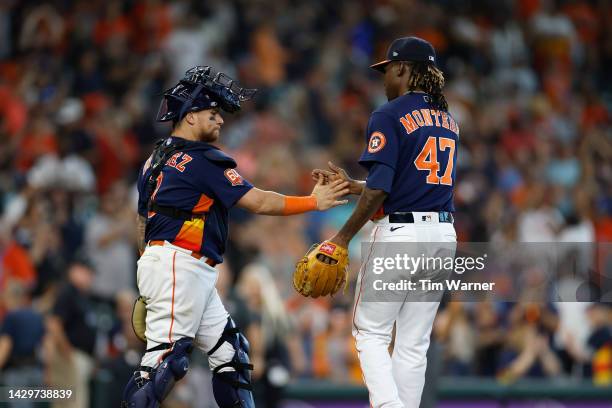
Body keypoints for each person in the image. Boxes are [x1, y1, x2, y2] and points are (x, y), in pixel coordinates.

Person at [122, 66, 349, 408]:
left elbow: (143, 222)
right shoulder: (201, 159)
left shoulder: (154, 159)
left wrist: (149, 274)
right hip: (179, 266)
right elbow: (258, 201)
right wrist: (314, 201)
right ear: (189, 115)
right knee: (163, 364)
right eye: (213, 113)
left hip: (174, 266)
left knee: (233, 354)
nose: (221, 120)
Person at [313, 37, 459, 408]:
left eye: (387, 70)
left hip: (400, 235)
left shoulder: (388, 114)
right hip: (442, 234)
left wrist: (343, 237)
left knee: (369, 333)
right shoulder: (448, 119)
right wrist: (355, 186)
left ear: (403, 68)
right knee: (414, 342)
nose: (384, 79)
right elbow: (405, 184)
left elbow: (380, 190)